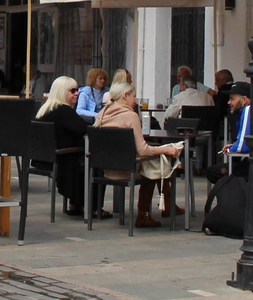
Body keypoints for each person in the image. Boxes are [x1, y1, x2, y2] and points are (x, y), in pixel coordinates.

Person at [94, 80, 182, 227]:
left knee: (154, 160)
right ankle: (144, 214)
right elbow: (143, 150)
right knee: (155, 164)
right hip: (128, 170)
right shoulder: (130, 116)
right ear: (125, 95)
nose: (136, 101)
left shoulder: (101, 114)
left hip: (107, 169)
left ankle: (167, 204)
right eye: (134, 97)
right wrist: (166, 149)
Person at [36, 75, 90, 217]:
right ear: (62, 92)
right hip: (62, 158)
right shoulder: (63, 111)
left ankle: (75, 203)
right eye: (73, 91)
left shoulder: (45, 109)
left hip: (44, 159)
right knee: (95, 164)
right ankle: (91, 206)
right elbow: (84, 128)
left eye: (77, 90)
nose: (77, 93)